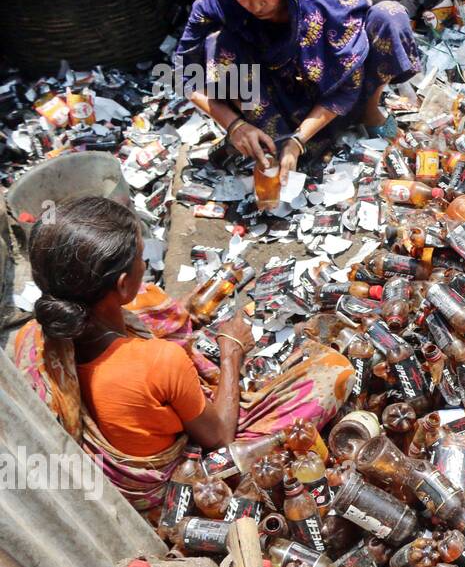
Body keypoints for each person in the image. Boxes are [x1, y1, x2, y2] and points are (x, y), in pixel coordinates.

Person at [11, 197, 354, 517]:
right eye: (140, 259)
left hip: (123, 428)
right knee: (335, 371)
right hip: (179, 482)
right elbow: (219, 436)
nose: (144, 265)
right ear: (120, 285)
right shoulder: (158, 361)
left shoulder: (31, 338)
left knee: (150, 300)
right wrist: (231, 352)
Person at [176, 0, 421, 180]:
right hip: (275, 103)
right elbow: (183, 74)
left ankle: (369, 115)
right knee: (218, 44)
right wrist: (234, 124)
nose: (256, 5)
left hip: (342, 88)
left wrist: (299, 140)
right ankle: (277, 139)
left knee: (389, 16)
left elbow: (348, 84)